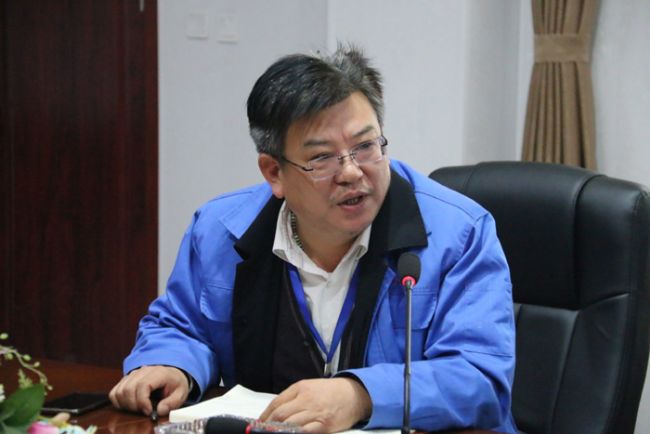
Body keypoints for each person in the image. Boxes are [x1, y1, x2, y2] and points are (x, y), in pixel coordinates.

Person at [109, 44, 517, 433]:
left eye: (365, 146)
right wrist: (171, 365)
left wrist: (361, 395)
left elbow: (480, 377)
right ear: (274, 173)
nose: (352, 172)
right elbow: (179, 326)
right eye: (322, 157)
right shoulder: (219, 229)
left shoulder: (459, 233)